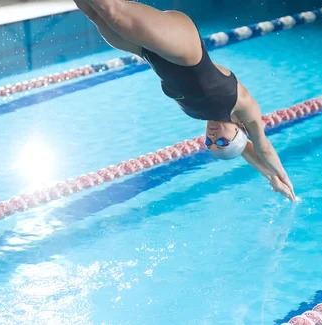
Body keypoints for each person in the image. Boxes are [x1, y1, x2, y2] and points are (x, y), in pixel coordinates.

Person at [74, 0, 296, 201]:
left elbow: (240, 148)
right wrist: (280, 176)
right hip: (184, 48)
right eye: (220, 142)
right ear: (240, 131)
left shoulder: (197, 112)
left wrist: (269, 176)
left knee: (94, 13)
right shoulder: (241, 107)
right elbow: (261, 147)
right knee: (112, 12)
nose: (212, 138)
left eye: (209, 144)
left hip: (147, 52)